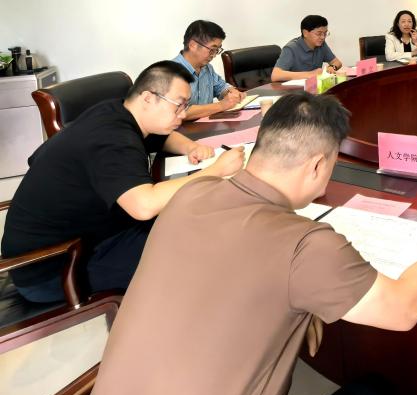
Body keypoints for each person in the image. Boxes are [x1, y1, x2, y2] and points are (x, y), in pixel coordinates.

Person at [86, 92, 417, 395]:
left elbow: (231, 266)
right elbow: (404, 309)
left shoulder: (191, 194)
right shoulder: (307, 245)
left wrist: (303, 304)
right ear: (317, 166)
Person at [0, 62, 245, 303]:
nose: (183, 114)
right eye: (178, 106)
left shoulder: (118, 111)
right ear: (148, 98)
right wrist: (215, 171)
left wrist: (191, 147)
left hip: (94, 233)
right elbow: (143, 206)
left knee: (190, 221)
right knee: (199, 254)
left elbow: (162, 137)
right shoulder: (112, 139)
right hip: (57, 265)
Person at [172, 19, 246, 120]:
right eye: (212, 50)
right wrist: (221, 105)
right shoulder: (171, 73)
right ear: (193, 45)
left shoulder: (207, 68)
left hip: (207, 125)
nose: (214, 55)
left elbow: (221, 87)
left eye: (217, 50)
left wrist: (232, 92)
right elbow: (180, 112)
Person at [271, 14, 344, 81]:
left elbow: (337, 62)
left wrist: (332, 67)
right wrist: (311, 74)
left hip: (313, 87)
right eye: (319, 34)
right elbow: (275, 75)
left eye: (325, 33)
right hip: (294, 89)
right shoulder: (291, 48)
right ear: (305, 33)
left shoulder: (321, 44)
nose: (323, 37)